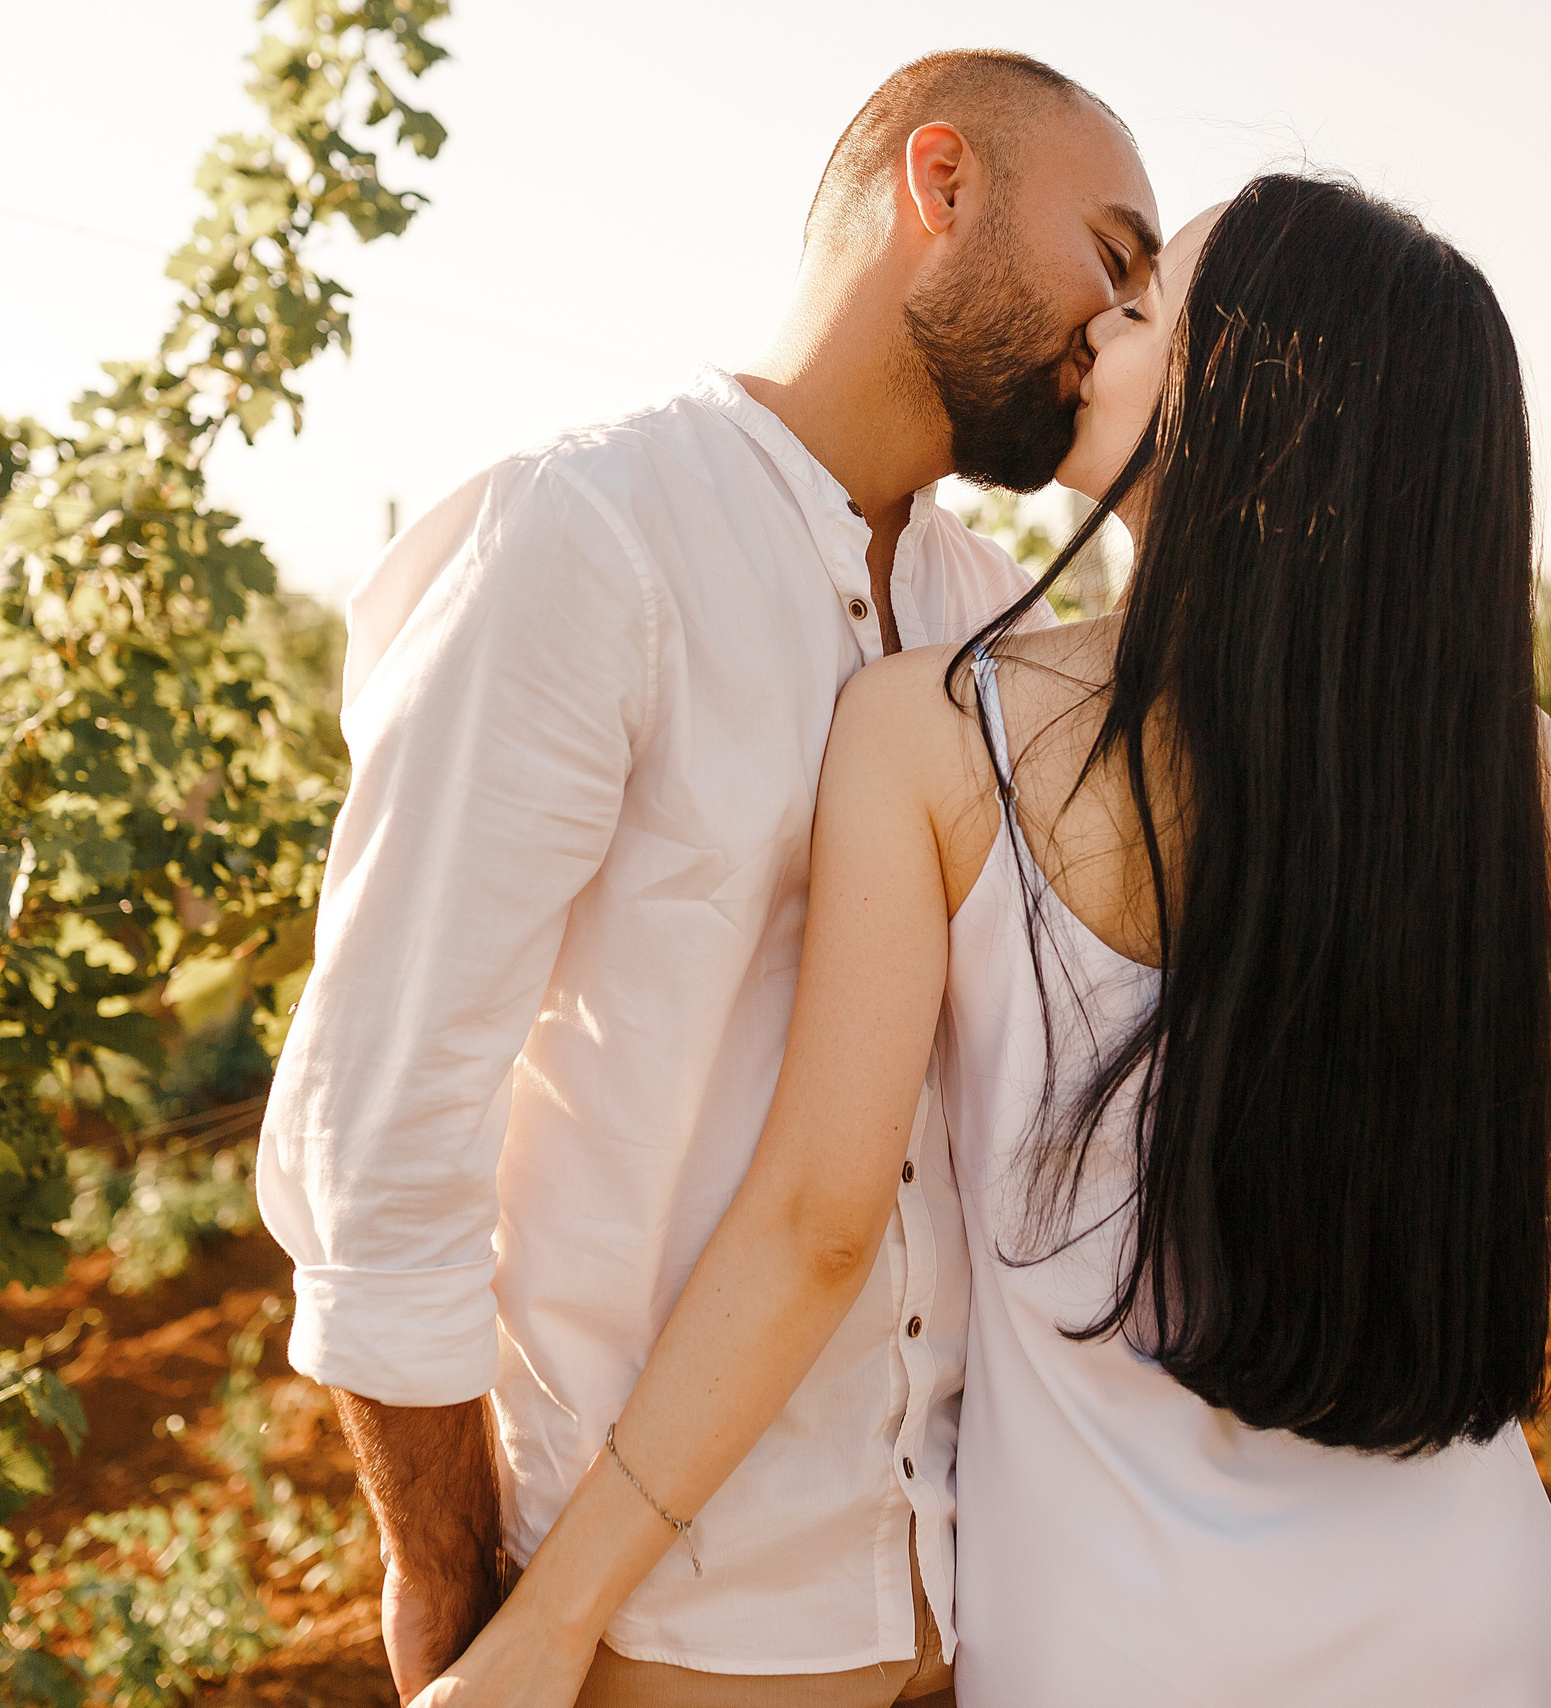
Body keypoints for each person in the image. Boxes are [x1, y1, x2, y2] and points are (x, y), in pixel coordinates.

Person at [415, 176, 1551, 1706]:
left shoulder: (936, 733)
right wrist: (1520, 1269)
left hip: (1124, 1643)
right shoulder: (1471, 753)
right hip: (1473, 1619)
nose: (1091, 332)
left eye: (1141, 305)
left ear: (1238, 402)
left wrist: (552, 1621)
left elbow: (815, 1230)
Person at [253, 49, 1160, 1706]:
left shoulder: (995, 620)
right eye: (1113, 254)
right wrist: (448, 1582)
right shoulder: (585, 538)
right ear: (940, 183)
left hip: (983, 1596)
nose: (1119, 326)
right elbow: (381, 1124)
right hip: (672, 1622)